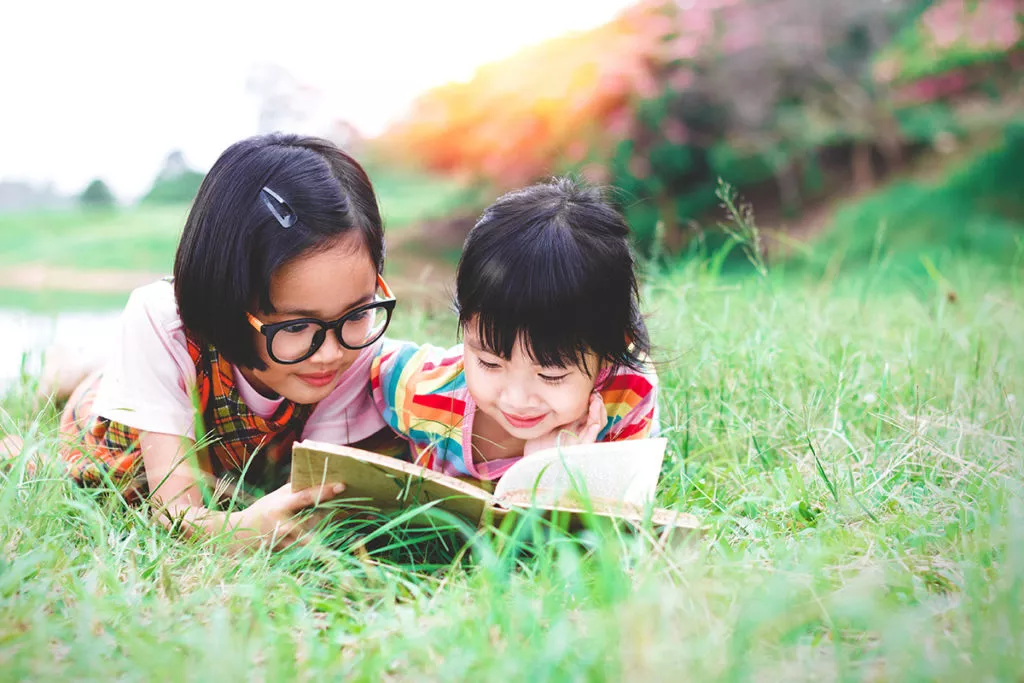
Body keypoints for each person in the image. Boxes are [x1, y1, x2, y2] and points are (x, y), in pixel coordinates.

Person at [56, 133, 400, 549]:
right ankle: (66, 376)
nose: (331, 352)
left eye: (358, 313)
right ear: (227, 294)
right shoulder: (164, 322)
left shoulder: (353, 345)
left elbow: (317, 500)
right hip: (124, 440)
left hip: (240, 462)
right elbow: (175, 514)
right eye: (294, 327)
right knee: (88, 395)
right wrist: (237, 532)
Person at [370, 177, 659, 481]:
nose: (517, 400)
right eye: (489, 363)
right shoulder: (417, 390)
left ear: (608, 354)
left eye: (551, 375)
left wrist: (548, 476)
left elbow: (613, 511)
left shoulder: (627, 394)